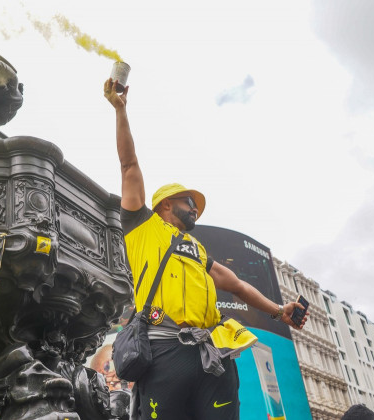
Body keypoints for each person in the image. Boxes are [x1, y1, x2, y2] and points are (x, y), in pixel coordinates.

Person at [103, 78, 307, 420]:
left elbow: (237, 285)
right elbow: (129, 165)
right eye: (188, 201)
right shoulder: (142, 227)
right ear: (165, 204)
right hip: (162, 350)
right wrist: (121, 110)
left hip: (213, 354)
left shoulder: (197, 249)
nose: (195, 208)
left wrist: (278, 311)